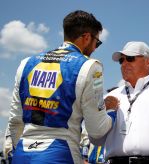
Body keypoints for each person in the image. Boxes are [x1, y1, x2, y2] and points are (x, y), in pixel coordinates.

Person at [4, 10, 117, 164]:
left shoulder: (26, 63)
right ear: (86, 37)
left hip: (22, 154)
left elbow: (15, 121)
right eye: (97, 42)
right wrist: (111, 112)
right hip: (61, 153)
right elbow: (97, 131)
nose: (95, 48)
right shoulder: (90, 66)